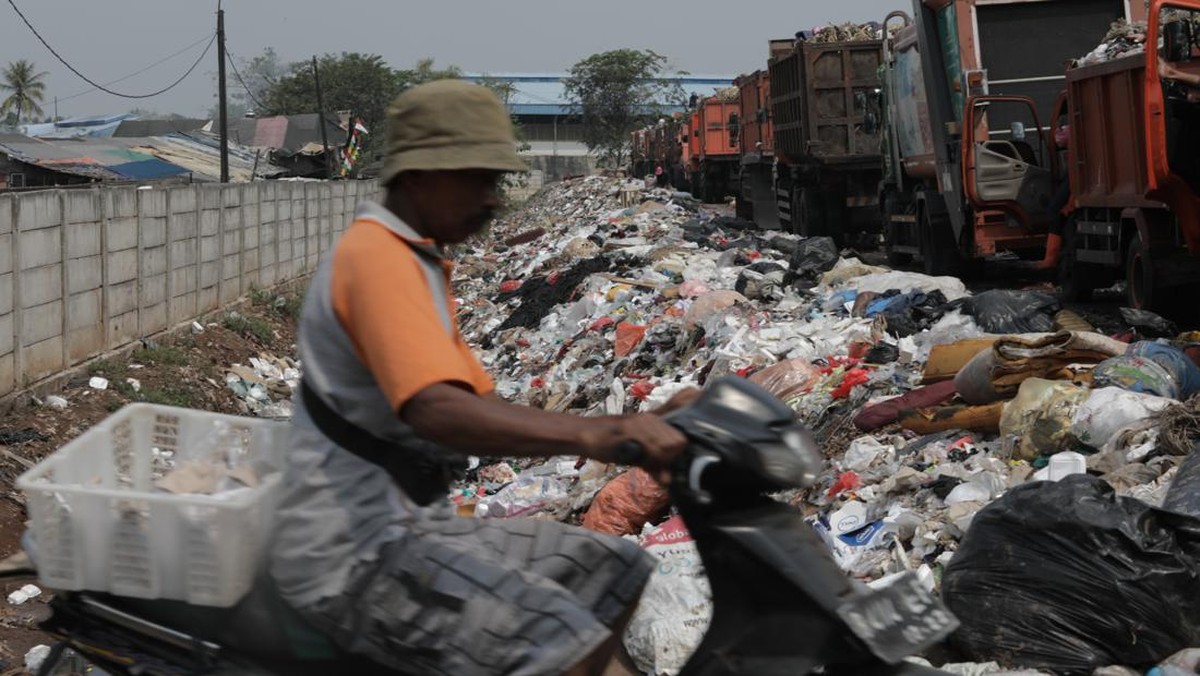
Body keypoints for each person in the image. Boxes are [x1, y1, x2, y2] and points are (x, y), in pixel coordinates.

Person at [268, 79, 696, 676]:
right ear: (420, 177)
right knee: (561, 635)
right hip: (357, 552)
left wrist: (646, 424)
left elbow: (485, 406)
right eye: (479, 180)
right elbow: (440, 412)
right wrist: (602, 434)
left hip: (419, 525)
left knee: (617, 567)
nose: (494, 200)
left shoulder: (419, 261)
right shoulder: (377, 259)